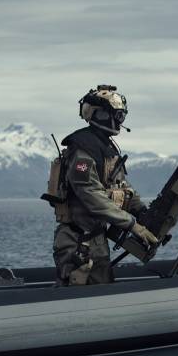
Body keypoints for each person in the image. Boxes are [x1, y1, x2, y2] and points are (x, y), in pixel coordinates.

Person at [51, 85, 158, 285]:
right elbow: (92, 195)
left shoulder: (106, 148)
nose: (120, 121)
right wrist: (133, 225)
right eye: (117, 115)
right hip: (78, 242)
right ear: (100, 115)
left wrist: (142, 211)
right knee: (79, 295)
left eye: (122, 116)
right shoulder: (82, 149)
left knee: (101, 288)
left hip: (96, 240)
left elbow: (122, 187)